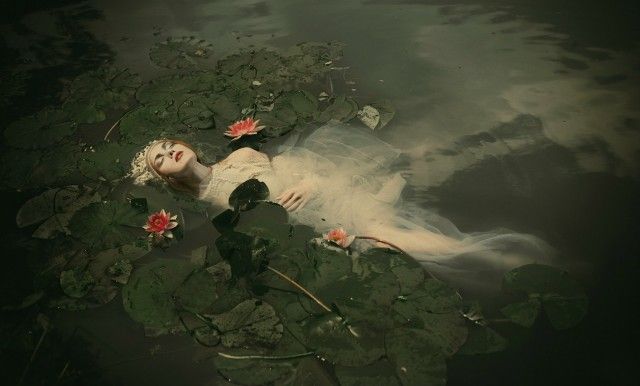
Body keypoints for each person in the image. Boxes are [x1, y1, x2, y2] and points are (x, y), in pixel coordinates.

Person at [128, 120, 555, 292]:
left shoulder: (240, 158)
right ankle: (501, 260)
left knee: (396, 237)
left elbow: (300, 165)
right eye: (160, 159)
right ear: (164, 176)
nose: (169, 153)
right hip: (310, 227)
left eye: (169, 146)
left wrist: (312, 182)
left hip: (331, 197)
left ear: (183, 145)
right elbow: (259, 229)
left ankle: (496, 254)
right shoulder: (206, 206)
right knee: (391, 252)